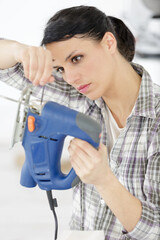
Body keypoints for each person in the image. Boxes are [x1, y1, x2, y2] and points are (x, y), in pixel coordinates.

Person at [0, 5, 159, 240]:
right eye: (60, 68)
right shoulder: (77, 96)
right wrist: (18, 49)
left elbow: (156, 229)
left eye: (77, 58)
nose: (71, 78)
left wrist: (104, 181)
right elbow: (5, 68)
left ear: (109, 43)